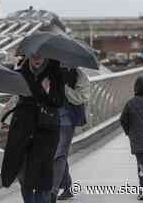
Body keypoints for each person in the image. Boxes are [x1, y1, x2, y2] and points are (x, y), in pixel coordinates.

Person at [1, 54, 64, 203]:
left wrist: (45, 91)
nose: (37, 59)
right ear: (28, 55)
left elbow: (59, 101)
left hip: (46, 129)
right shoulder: (20, 72)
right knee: (22, 173)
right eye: (34, 55)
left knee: (43, 174)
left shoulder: (55, 72)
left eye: (41, 56)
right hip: (22, 127)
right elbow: (15, 93)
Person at [51, 67, 90, 203]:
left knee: (59, 154)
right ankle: (67, 187)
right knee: (57, 154)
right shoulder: (50, 70)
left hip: (68, 119)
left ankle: (53, 191)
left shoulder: (79, 75)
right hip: (50, 118)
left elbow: (81, 97)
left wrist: (65, 89)